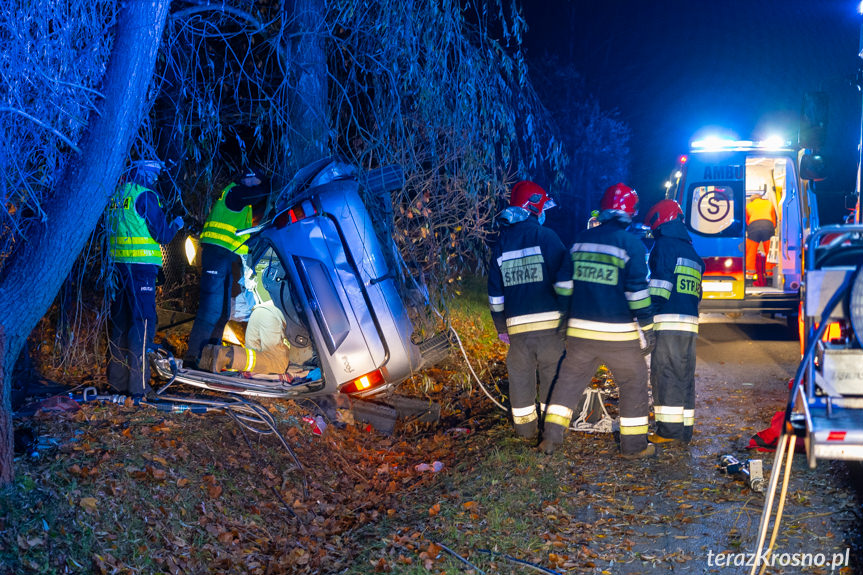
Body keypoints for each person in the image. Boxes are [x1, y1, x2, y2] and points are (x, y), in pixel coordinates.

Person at [540, 183, 655, 459]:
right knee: (634, 383)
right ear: (630, 213)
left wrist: (566, 316)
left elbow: (564, 284)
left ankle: (550, 440)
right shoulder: (632, 245)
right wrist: (648, 328)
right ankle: (634, 447)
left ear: (603, 211)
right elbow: (637, 293)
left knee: (567, 384)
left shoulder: (580, 240)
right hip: (619, 336)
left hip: (580, 334)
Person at [487, 181, 572, 440]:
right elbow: (565, 283)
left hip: (517, 333)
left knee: (520, 382)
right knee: (552, 380)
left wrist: (501, 327)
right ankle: (552, 431)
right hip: (550, 331)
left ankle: (525, 432)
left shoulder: (501, 244)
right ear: (535, 207)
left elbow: (495, 296)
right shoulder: (547, 238)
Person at [107, 160, 184, 396]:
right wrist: (176, 224)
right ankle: (139, 387)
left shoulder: (117, 195)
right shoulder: (146, 196)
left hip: (118, 268)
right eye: (154, 173)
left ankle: (117, 384)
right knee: (143, 324)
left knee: (120, 324)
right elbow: (161, 234)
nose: (156, 178)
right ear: (144, 171)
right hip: (141, 271)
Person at [185, 168, 270, 367]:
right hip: (215, 255)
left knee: (223, 312)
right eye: (255, 180)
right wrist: (268, 184)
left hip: (225, 257)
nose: (257, 185)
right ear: (246, 180)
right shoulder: (236, 193)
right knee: (210, 311)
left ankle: (209, 360)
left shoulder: (244, 203)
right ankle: (192, 359)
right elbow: (259, 194)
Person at [644, 200, 704, 444]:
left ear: (660, 220)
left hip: (667, 322)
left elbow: (660, 286)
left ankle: (667, 432)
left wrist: (647, 314)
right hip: (689, 324)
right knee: (684, 375)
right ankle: (684, 431)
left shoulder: (664, 246)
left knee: (666, 373)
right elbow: (697, 293)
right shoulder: (691, 251)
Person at [745, 193, 776, 286]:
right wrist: (771, 229)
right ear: (761, 198)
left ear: (752, 200)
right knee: (770, 251)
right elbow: (774, 220)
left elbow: (746, 221)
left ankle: (749, 276)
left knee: (751, 252)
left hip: (753, 227)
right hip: (768, 226)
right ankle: (770, 275)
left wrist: (749, 231)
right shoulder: (769, 203)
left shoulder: (748, 206)